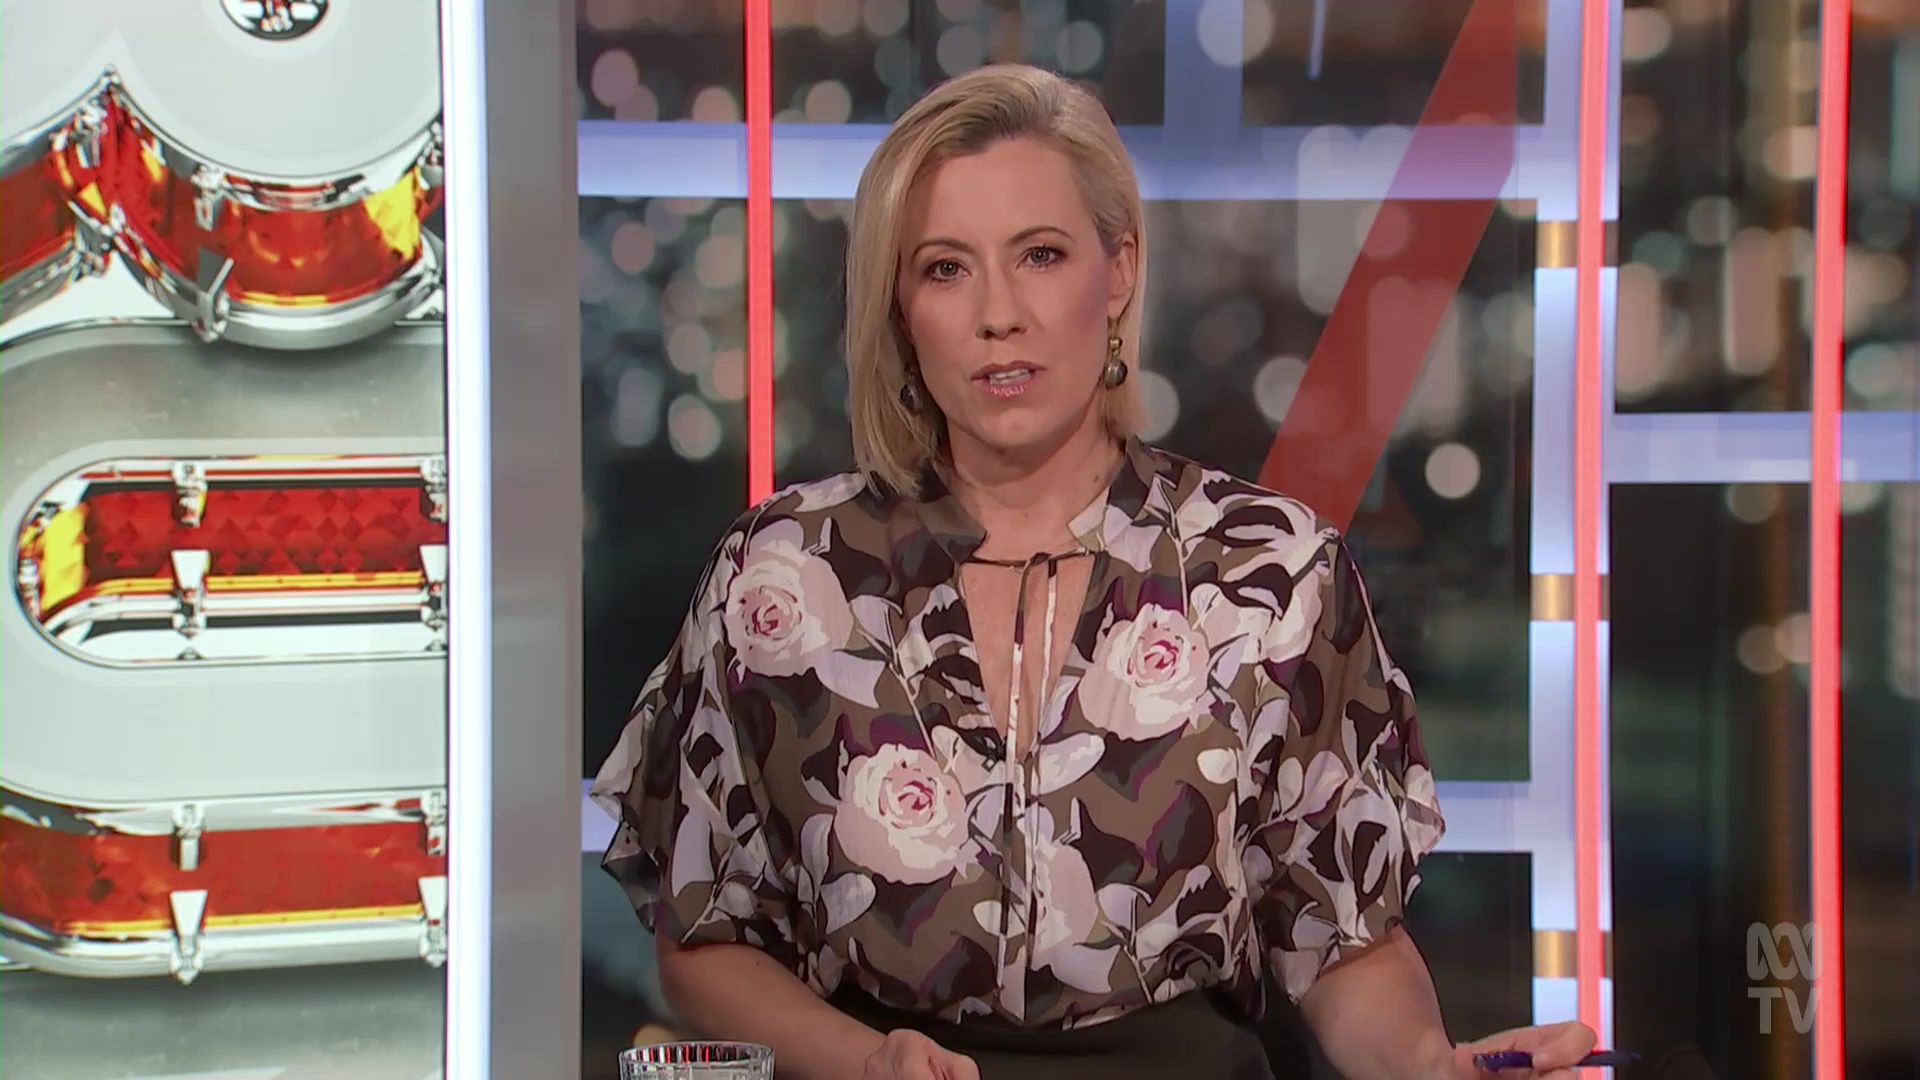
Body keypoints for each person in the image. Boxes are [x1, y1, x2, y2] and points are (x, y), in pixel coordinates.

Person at [592, 63, 1597, 1080]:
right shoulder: (780, 578)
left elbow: (1340, 941)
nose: (999, 313)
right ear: (898, 306)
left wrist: (1430, 1066)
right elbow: (704, 937)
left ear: (1117, 273)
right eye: (945, 268)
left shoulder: (1273, 575)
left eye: (1040, 255)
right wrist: (867, 1063)